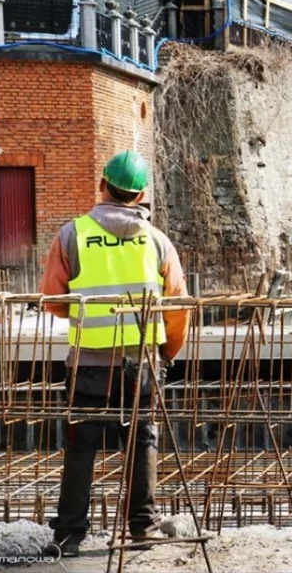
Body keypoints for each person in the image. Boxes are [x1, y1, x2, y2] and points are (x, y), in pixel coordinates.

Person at [40, 150, 189, 557]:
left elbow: (52, 300)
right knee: (142, 440)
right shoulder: (157, 241)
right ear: (141, 195)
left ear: (102, 185)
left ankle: (69, 535)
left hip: (88, 363)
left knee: (81, 445)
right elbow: (177, 306)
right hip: (141, 363)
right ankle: (142, 527)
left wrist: (87, 306)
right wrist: (167, 352)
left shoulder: (73, 234)